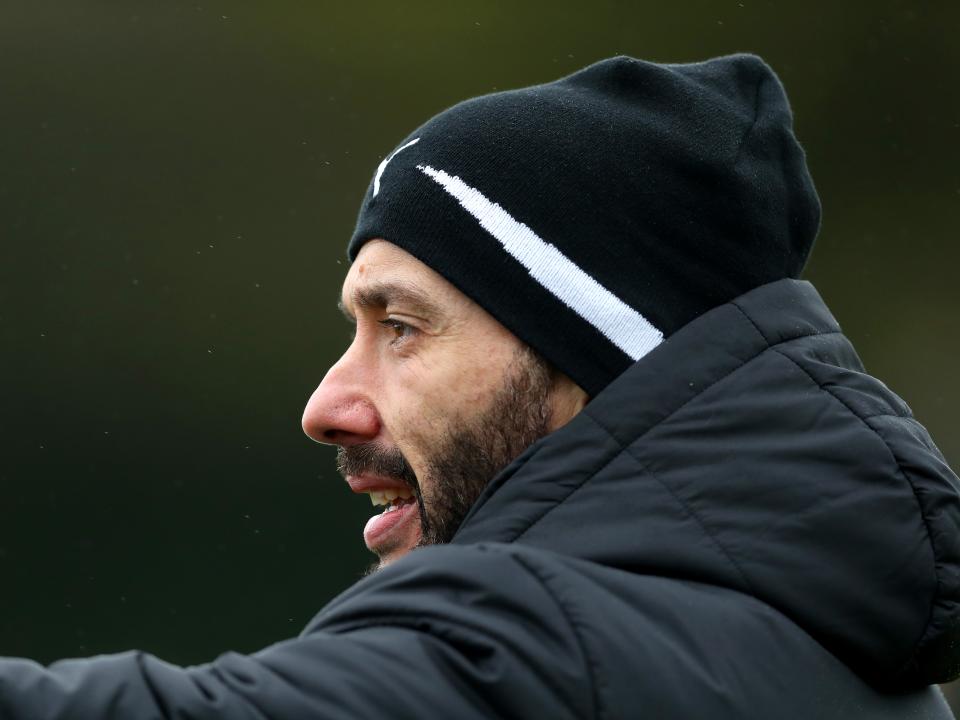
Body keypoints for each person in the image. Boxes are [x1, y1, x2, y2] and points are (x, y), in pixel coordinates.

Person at [1, 53, 958, 718]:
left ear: (592, 359)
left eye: (402, 327)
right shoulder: (841, 664)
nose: (326, 409)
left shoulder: (541, 645)